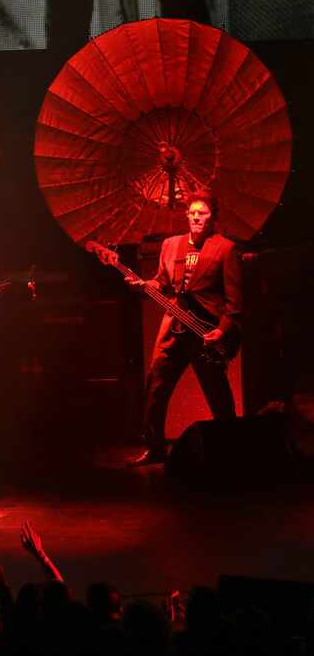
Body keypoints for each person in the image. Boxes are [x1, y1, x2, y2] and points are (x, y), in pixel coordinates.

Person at [128, 190, 243, 465]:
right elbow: (163, 284)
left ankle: (232, 447)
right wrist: (144, 285)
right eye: (191, 213)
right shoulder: (171, 245)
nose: (195, 218)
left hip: (204, 333)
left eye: (201, 213)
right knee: (156, 385)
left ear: (212, 217)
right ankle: (155, 447)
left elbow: (235, 303)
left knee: (217, 393)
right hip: (173, 329)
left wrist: (222, 330)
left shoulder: (225, 249)